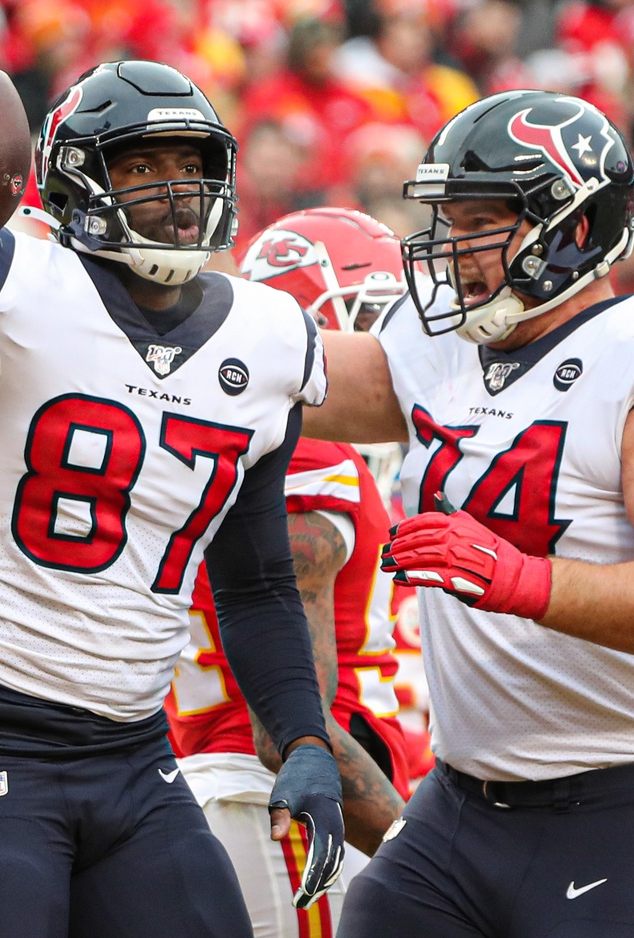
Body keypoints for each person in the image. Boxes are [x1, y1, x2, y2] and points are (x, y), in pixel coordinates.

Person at [0, 39, 346, 938]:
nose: (175, 188)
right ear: (79, 182)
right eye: (142, 166)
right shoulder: (15, 280)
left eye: (190, 164)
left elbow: (251, 580)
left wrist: (305, 740)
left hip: (132, 749)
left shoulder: (270, 335)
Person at [302, 90, 634, 937]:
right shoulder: (437, 345)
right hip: (459, 800)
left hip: (624, 798)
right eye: (448, 220)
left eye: (482, 221)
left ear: (575, 231)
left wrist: (514, 578)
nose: (451, 247)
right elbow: (280, 374)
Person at [166, 207, 434, 938]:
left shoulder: (287, 446)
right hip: (278, 806)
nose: (400, 345)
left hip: (254, 799)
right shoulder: (307, 451)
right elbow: (284, 729)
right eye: (375, 316)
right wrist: (429, 864)